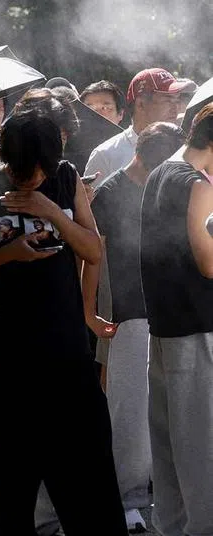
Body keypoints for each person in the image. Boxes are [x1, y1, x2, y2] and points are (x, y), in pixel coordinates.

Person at [0, 110, 125, 535]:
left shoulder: (65, 178)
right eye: (25, 170)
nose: (35, 177)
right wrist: (9, 253)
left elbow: (93, 251)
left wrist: (53, 213)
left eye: (43, 168)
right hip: (7, 344)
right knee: (12, 469)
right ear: (6, 158)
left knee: (85, 461)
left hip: (64, 341)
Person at [83, 121, 184, 534]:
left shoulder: (172, 185)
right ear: (141, 155)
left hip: (170, 313)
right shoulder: (109, 192)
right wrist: (88, 311)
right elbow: (91, 257)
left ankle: (158, 496)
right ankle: (126, 500)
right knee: (128, 414)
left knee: (164, 412)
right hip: (128, 313)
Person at [139, 104, 213, 536]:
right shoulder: (198, 186)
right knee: (202, 445)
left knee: (169, 447)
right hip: (198, 328)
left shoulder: (161, 171)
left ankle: (173, 529)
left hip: (165, 326)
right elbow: (207, 263)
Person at [87, 68, 188, 185]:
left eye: (177, 101)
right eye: (168, 101)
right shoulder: (105, 155)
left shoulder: (183, 150)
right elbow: (89, 202)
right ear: (141, 104)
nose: (176, 108)